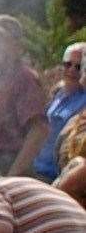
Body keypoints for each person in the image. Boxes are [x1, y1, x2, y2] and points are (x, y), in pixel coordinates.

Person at [0, 14, 48, 175]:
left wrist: (10, 178)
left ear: (16, 47)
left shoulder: (24, 78)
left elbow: (39, 130)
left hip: (3, 167)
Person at [34, 42, 86, 183]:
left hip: (56, 177)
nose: (72, 70)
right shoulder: (58, 94)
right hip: (35, 169)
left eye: (79, 66)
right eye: (68, 64)